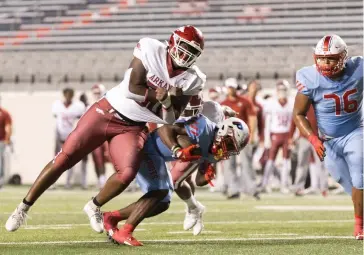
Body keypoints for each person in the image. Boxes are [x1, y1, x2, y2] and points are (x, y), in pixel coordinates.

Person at [6, 25, 206, 233]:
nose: (186, 55)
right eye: (184, 47)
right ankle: (23, 208)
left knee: (127, 173)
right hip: (107, 111)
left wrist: (166, 103)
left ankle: (93, 206)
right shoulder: (150, 48)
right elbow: (131, 88)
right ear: (173, 42)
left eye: (193, 52)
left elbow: (171, 118)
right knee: (65, 158)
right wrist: (160, 96)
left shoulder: (193, 79)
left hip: (133, 126)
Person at [102, 115, 250, 246]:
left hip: (158, 157)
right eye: (230, 144)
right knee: (160, 192)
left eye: (232, 149)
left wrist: (207, 174)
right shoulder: (203, 127)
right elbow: (166, 129)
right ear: (224, 130)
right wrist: (177, 149)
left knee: (163, 203)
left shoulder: (215, 149)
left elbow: (199, 180)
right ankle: (125, 232)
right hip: (148, 148)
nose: (228, 150)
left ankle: (111, 217)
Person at [293, 34, 363, 239]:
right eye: (321, 58)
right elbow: (298, 114)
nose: (325, 63)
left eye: (331, 58)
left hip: (355, 133)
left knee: (360, 174)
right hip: (327, 141)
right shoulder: (310, 78)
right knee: (348, 182)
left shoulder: (358, 69)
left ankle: (359, 226)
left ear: (343, 58)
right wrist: (313, 139)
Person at [220, 77, 257, 199]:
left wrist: (252, 134)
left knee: (247, 163)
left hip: (243, 136)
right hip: (228, 138)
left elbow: (252, 118)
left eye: (233, 87)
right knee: (229, 164)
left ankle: (251, 189)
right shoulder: (222, 104)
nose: (232, 90)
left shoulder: (245, 102)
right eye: (230, 87)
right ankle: (233, 189)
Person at [258, 80, 294, 194]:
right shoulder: (271, 103)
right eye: (280, 90)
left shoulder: (292, 103)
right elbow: (267, 122)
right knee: (270, 160)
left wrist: (294, 136)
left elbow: (295, 122)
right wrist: (267, 138)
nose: (282, 92)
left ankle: (284, 185)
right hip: (275, 133)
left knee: (286, 161)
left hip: (287, 134)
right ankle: (265, 183)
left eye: (284, 90)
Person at [51, 88, 86, 189]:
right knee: (56, 160)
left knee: (69, 160)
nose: (68, 96)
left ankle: (68, 182)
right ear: (64, 95)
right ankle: (52, 182)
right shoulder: (57, 105)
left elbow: (81, 119)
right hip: (59, 134)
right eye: (67, 94)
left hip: (71, 136)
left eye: (70, 95)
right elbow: (56, 118)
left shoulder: (77, 106)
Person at [0, 95, 12, 188]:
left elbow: (8, 127)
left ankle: (0, 181)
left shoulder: (4, 113)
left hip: (1, 141)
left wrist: (7, 139)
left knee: (0, 161)